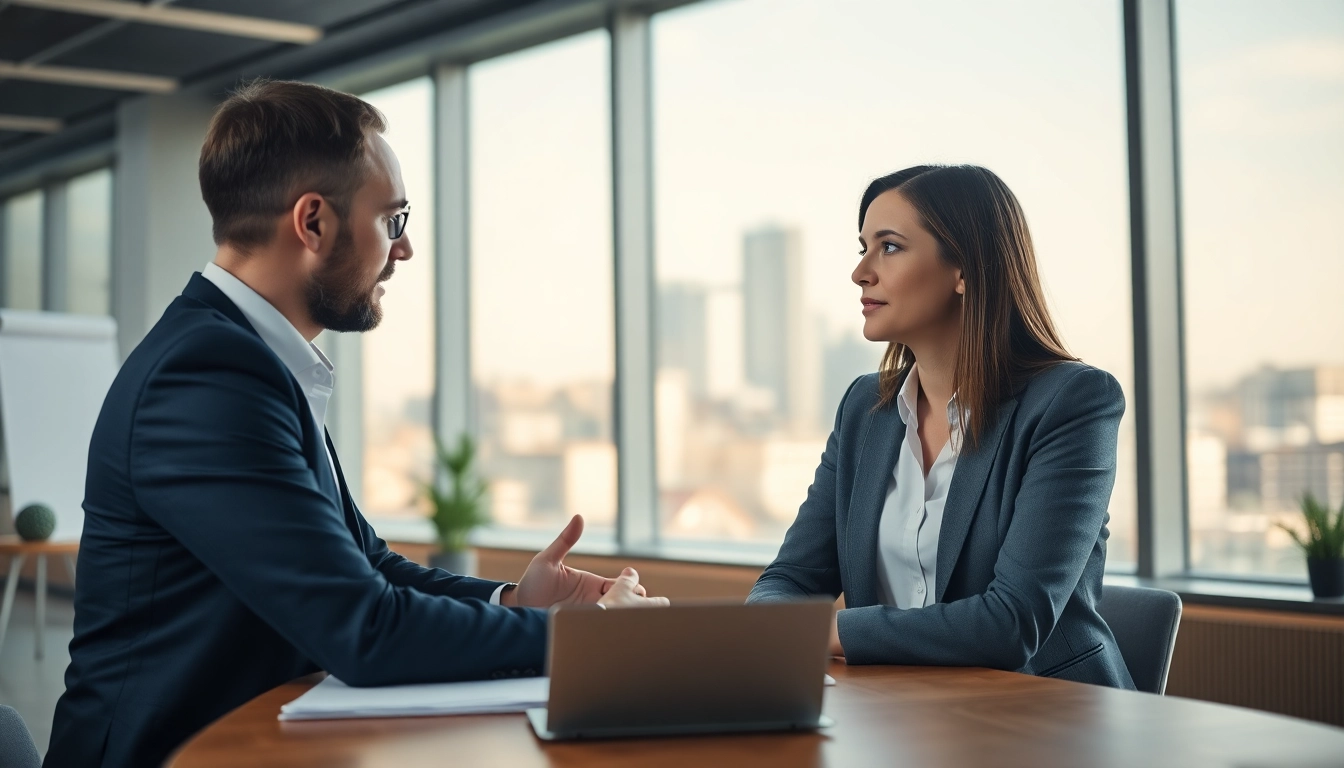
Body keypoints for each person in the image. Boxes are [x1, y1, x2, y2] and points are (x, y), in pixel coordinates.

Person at [45, 80, 667, 768]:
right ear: (313, 222)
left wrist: (517, 601)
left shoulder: (248, 359)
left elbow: (365, 567)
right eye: (393, 220)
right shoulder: (207, 375)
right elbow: (365, 629)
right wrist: (585, 639)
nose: (403, 252)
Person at [747, 164, 1134, 690]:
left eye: (889, 247)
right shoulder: (866, 408)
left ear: (966, 269)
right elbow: (789, 579)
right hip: (898, 717)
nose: (861, 272)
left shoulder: (1071, 403)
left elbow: (1010, 624)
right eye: (861, 248)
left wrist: (813, 632)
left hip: (1047, 722)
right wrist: (777, 621)